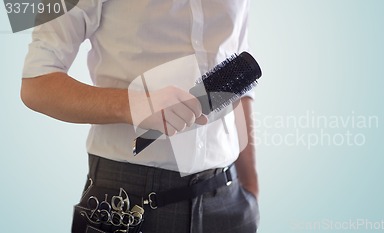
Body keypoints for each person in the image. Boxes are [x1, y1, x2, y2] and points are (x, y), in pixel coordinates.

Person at [20, 0, 259, 232]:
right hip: (126, 198)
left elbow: (240, 75)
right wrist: (135, 106)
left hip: (229, 199)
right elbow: (37, 84)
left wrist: (250, 186)